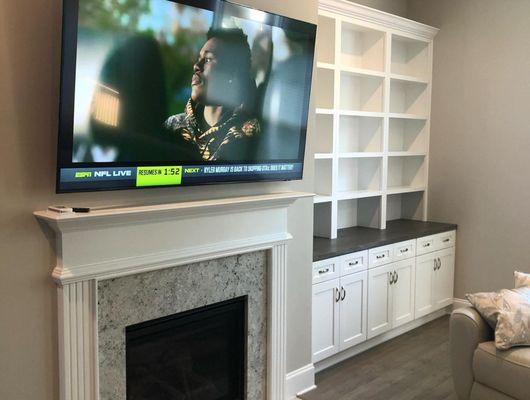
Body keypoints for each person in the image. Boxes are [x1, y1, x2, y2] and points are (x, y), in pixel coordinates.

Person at [165, 28, 260, 161]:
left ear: (232, 72)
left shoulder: (248, 134)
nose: (196, 66)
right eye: (199, 59)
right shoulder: (173, 126)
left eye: (208, 59)